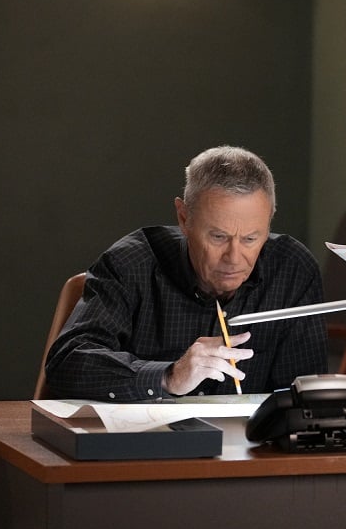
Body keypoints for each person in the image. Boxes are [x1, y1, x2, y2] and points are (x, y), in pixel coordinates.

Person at [42, 145, 328, 400]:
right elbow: (67, 363)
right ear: (184, 218)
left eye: (251, 239)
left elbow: (304, 394)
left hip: (250, 451)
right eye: (218, 237)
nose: (233, 257)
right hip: (145, 449)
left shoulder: (292, 269)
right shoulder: (132, 262)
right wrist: (168, 377)